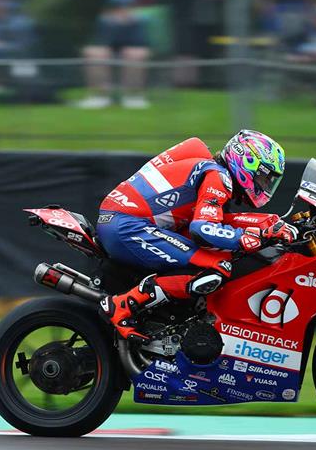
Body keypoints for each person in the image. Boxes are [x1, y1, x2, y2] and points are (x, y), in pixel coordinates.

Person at [96, 130, 297, 342]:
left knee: (216, 259)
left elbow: (215, 221)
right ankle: (122, 306)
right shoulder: (218, 176)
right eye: (263, 178)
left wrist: (265, 224)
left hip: (125, 223)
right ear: (245, 162)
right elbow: (202, 229)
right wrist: (246, 238)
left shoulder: (212, 172)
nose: (264, 186)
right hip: (128, 226)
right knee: (216, 267)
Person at [77, 0, 151, 109]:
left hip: (133, 50)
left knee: (135, 54)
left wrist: (128, 24)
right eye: (119, 7)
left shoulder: (139, 21)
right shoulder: (104, 21)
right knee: (93, 53)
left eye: (127, 7)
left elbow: (140, 42)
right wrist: (114, 25)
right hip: (111, 51)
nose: (123, 10)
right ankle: (100, 96)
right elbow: (102, 42)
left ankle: (133, 97)